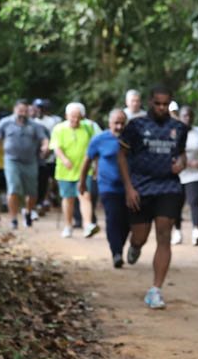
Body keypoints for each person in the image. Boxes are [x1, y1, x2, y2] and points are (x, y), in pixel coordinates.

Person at [117, 85, 187, 309]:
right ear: (150, 102)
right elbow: (121, 155)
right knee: (140, 235)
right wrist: (128, 187)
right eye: (158, 103)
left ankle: (156, 289)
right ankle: (135, 245)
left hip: (168, 187)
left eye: (165, 104)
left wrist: (181, 164)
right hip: (141, 188)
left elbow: (182, 155)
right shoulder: (136, 126)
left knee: (164, 234)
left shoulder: (178, 128)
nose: (161, 108)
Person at [0, 99, 49, 229]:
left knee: (32, 192)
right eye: (20, 110)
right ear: (14, 110)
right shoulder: (5, 123)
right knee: (13, 188)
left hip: (30, 161)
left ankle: (28, 212)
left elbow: (44, 139)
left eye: (25, 111)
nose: (23, 113)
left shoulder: (35, 125)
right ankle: (13, 219)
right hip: (12, 160)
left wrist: (45, 147)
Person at [80, 109, 129, 267]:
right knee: (112, 218)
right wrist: (82, 182)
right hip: (108, 187)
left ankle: (119, 246)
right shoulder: (99, 139)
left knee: (126, 221)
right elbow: (87, 160)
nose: (119, 126)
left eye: (122, 123)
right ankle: (116, 252)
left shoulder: (131, 139)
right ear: (109, 123)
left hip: (129, 188)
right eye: (116, 123)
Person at [51, 102, 99, 238]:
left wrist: (95, 165)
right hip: (65, 171)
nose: (75, 120)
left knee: (85, 196)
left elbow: (94, 147)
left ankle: (87, 225)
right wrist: (64, 159)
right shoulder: (59, 129)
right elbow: (56, 147)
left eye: (78, 117)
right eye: (72, 116)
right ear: (66, 116)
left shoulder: (88, 128)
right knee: (68, 198)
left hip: (84, 170)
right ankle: (68, 225)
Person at [177, 105, 198, 246]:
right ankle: (177, 231)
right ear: (179, 117)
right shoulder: (173, 131)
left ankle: (196, 230)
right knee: (176, 204)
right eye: (184, 116)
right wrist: (186, 163)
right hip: (178, 173)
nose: (187, 118)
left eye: (190, 116)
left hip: (194, 174)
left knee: (195, 201)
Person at [32, 98, 62, 216]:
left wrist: (49, 150)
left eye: (41, 108)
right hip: (36, 157)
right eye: (37, 108)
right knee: (40, 180)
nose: (39, 110)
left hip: (51, 155)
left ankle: (51, 198)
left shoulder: (52, 121)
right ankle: (40, 202)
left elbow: (55, 136)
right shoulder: (32, 122)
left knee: (52, 179)